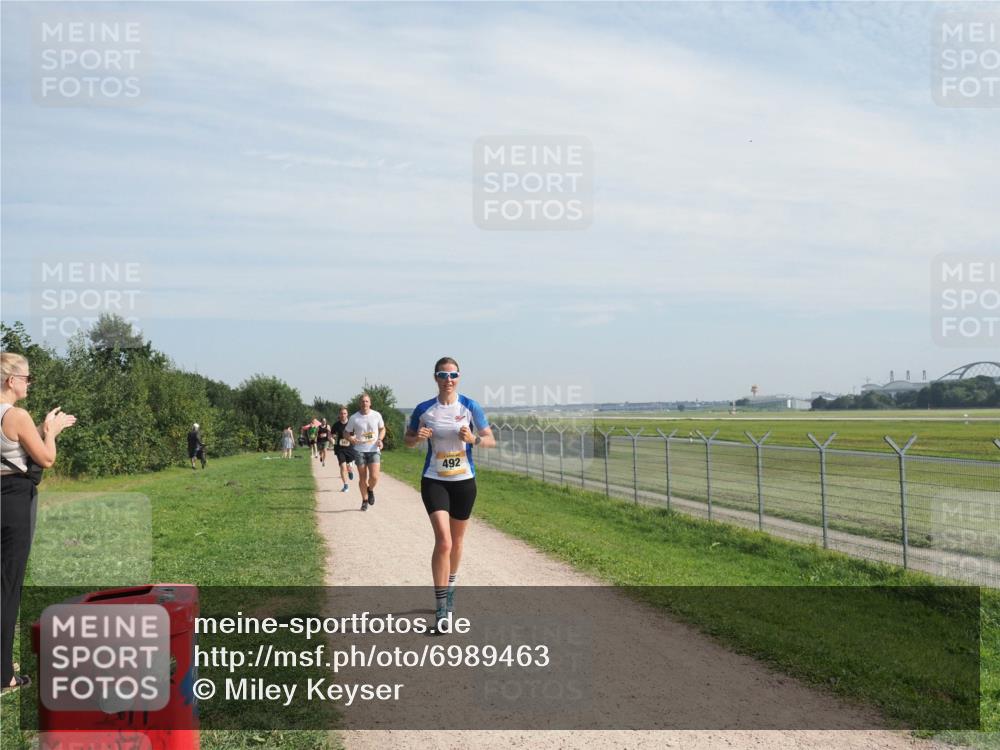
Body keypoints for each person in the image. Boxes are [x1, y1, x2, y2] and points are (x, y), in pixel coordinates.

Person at [1, 352, 76, 692]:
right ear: (10, 380)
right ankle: (4, 677)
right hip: (13, 503)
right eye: (27, 378)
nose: (29, 383)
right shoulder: (16, 415)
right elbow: (45, 459)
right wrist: (52, 431)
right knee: (8, 588)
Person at [404, 357, 494, 625]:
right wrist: (417, 437)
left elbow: (491, 439)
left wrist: (473, 439)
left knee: (456, 542)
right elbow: (407, 440)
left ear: (459, 377)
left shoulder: (470, 406)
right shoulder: (424, 409)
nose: (448, 380)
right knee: (443, 541)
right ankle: (441, 605)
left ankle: (451, 587)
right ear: (435, 377)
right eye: (443, 375)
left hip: (464, 481)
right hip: (435, 479)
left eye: (452, 375)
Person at [347, 394, 385, 511]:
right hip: (360, 450)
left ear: (370, 403)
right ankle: (364, 500)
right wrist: (350, 438)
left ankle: (370, 490)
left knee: (374, 477)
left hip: (374, 450)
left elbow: (382, 429)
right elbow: (346, 432)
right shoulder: (354, 418)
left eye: (367, 401)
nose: (364, 403)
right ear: (360, 403)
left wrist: (380, 439)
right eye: (362, 401)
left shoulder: (376, 415)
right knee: (362, 478)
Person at [331, 407, 357, 492]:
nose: (343, 415)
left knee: (349, 466)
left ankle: (350, 471)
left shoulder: (352, 424)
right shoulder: (336, 425)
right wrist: (332, 439)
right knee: (342, 467)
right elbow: (331, 435)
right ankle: (345, 485)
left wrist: (353, 437)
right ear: (339, 414)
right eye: (341, 413)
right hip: (340, 449)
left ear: (347, 414)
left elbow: (357, 434)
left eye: (344, 413)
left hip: (350, 448)